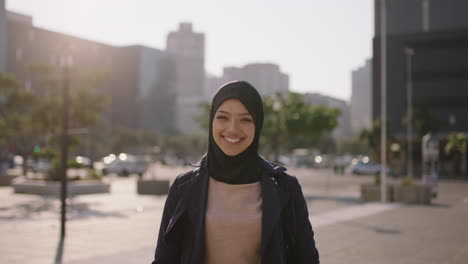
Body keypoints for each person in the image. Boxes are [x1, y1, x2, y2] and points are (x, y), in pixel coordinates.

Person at [152, 81, 320, 264]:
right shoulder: (183, 186)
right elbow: (164, 259)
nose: (232, 129)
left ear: (258, 125)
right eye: (223, 117)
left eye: (245, 119)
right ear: (212, 121)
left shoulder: (284, 187)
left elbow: (306, 258)